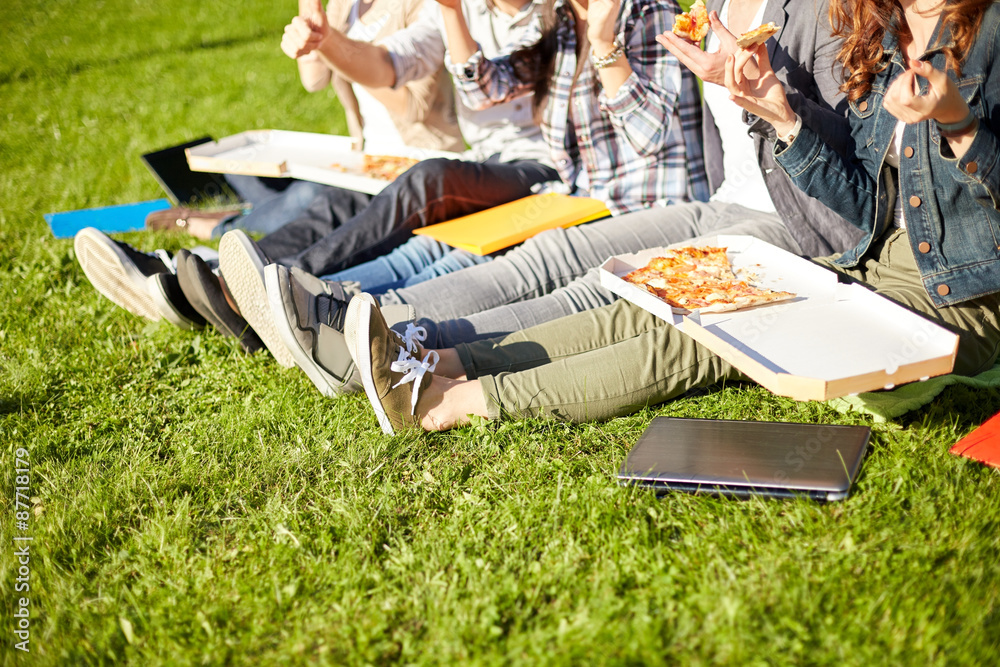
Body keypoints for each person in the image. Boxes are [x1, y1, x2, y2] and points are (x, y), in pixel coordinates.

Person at [346, 0, 1000, 434]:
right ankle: (448, 360)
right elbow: (865, 206)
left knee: (708, 330)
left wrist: (960, 125)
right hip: (865, 271)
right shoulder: (887, 31)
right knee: (666, 293)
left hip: (959, 303)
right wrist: (779, 110)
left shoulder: (989, 29)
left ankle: (453, 403)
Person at [265, 0, 863, 397]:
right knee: (530, 258)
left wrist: (606, 43)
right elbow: (486, 85)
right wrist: (451, 11)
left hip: (683, 202)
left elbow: (652, 135)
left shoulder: (653, 15)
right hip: (610, 196)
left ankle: (394, 341)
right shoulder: (565, 20)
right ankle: (354, 318)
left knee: (578, 278)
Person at [145, 0, 465, 240]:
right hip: (364, 157)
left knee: (310, 197)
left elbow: (414, 106)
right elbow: (314, 80)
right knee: (256, 178)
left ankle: (217, 225)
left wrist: (341, 53)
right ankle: (251, 210)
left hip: (417, 158)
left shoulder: (421, 5)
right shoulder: (348, 3)